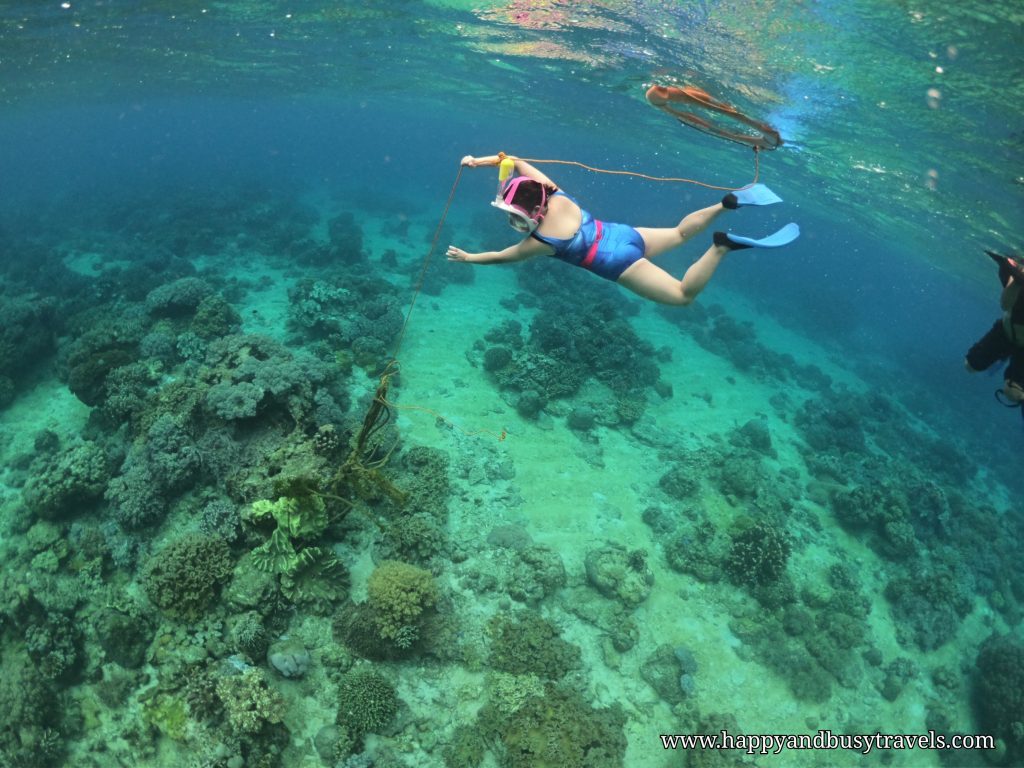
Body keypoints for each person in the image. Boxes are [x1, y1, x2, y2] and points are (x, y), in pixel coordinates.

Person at [446, 154, 799, 306]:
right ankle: (727, 204)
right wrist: (483, 161)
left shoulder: (539, 241)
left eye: (516, 218)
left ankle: (721, 247)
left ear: (533, 212)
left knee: (682, 296)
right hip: (622, 234)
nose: (514, 224)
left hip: (616, 261)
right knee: (678, 234)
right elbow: (516, 160)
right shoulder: (553, 191)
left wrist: (468, 258)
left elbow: (499, 258)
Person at [964, 250, 1024, 404]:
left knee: (1012, 393)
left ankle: (1006, 358)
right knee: (971, 366)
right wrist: (1017, 280)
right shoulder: (1015, 270)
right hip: (1005, 332)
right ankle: (1004, 356)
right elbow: (1005, 305)